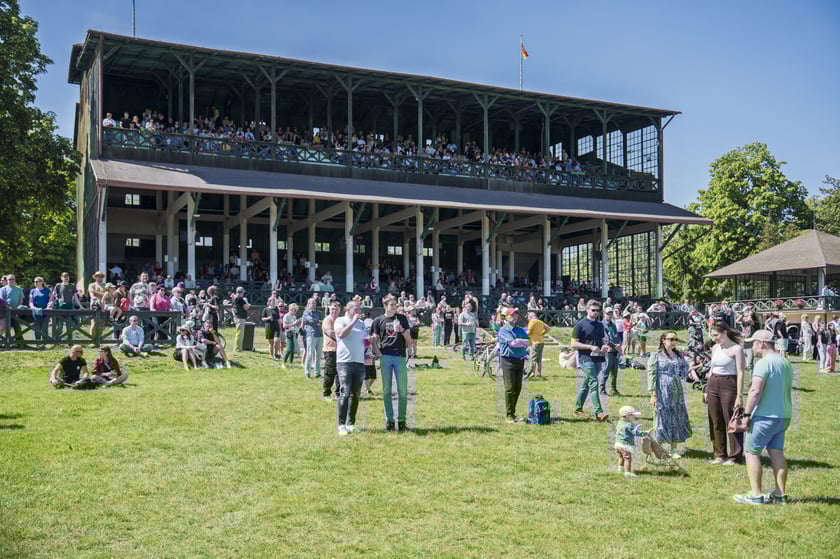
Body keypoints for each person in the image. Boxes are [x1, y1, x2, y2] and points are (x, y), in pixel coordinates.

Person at [734, 330, 793, 505]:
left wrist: (746, 414)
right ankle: (779, 494)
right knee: (777, 452)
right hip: (784, 415)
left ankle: (756, 494)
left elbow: (755, 390)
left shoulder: (763, 363)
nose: (752, 347)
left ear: (762, 343)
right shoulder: (785, 362)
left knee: (751, 452)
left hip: (764, 415)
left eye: (753, 343)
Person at [647, 332, 692, 459]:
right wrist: (653, 394)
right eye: (671, 339)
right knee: (661, 417)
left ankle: (674, 449)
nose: (673, 341)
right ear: (663, 340)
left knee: (676, 417)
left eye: (675, 339)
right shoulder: (655, 355)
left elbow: (684, 369)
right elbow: (651, 374)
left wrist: (684, 367)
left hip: (676, 390)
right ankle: (658, 448)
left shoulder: (677, 354)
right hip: (661, 390)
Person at [707, 321, 746, 465]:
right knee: (715, 420)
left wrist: (739, 396)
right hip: (713, 384)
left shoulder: (736, 349)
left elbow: (741, 373)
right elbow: (712, 368)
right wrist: (706, 390)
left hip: (729, 384)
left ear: (725, 332)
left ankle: (735, 456)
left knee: (731, 419)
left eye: (716, 335)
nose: (713, 338)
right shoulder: (715, 347)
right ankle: (719, 454)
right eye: (712, 335)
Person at [371, 296, 412, 432]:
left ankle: (401, 420)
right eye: (391, 304)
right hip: (386, 357)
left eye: (395, 304)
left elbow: (409, 340)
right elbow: (374, 340)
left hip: (399, 356)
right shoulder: (378, 321)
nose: (394, 307)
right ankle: (389, 420)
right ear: (385, 305)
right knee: (387, 390)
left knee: (402, 391)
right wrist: (379, 354)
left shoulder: (402, 318)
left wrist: (401, 330)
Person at [572, 300, 610, 422]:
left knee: (586, 384)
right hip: (585, 358)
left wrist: (605, 347)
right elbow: (573, 343)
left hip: (598, 358)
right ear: (587, 309)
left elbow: (604, 341)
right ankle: (599, 412)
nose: (595, 313)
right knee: (594, 383)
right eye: (593, 310)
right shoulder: (580, 324)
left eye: (597, 311)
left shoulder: (600, 325)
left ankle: (578, 409)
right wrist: (590, 347)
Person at [334, 300, 368, 435]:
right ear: (347, 309)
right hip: (344, 362)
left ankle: (351, 423)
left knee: (356, 394)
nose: (358, 311)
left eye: (359, 308)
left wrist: (369, 344)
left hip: (359, 362)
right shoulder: (340, 320)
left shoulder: (362, 324)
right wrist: (353, 321)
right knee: (344, 392)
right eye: (355, 308)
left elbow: (364, 341)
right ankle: (341, 425)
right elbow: (341, 334)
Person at [496, 307, 530, 423]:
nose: (515, 317)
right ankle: (509, 415)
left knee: (518, 388)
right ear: (506, 317)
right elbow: (513, 344)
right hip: (508, 361)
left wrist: (520, 342)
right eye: (512, 315)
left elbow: (528, 342)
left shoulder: (520, 330)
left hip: (520, 360)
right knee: (510, 389)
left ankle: (513, 413)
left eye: (516, 315)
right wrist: (520, 342)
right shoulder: (504, 330)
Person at [614, 406, 649, 479]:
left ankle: (620, 469)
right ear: (627, 416)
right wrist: (643, 433)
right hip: (625, 445)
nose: (634, 417)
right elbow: (635, 432)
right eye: (632, 415)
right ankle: (627, 472)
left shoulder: (620, 422)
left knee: (621, 457)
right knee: (628, 458)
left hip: (618, 444)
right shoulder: (629, 425)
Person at [49, 272, 82, 342]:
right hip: (60, 308)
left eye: (67, 277)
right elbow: (53, 295)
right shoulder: (58, 285)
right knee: (60, 326)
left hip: (69, 308)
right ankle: (56, 341)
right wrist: (49, 304)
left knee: (69, 325)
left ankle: (69, 341)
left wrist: (80, 306)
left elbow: (76, 297)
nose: (66, 278)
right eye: (64, 277)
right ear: (61, 278)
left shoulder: (72, 286)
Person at [598, 307, 622, 395]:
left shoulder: (613, 324)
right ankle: (602, 389)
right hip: (608, 350)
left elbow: (618, 336)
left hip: (615, 350)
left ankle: (613, 389)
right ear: (604, 314)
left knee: (615, 371)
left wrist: (619, 344)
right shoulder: (602, 324)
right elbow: (605, 339)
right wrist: (615, 346)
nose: (610, 315)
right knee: (606, 370)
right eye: (608, 313)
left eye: (611, 313)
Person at [321, 301, 341, 401]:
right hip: (330, 350)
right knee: (330, 371)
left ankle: (339, 393)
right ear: (329, 309)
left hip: (341, 350)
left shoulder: (340, 321)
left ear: (339, 310)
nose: (334, 311)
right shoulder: (327, 320)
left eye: (336, 309)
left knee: (340, 372)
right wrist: (342, 335)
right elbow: (329, 332)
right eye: (332, 309)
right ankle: (326, 393)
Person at [0, 274, 24, 345]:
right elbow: (2, 300)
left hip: (15, 311)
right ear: (7, 280)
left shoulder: (19, 289)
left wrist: (16, 307)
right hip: (5, 311)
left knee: (17, 326)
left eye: (13, 279)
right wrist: (7, 307)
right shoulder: (2, 289)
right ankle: (5, 343)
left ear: (15, 280)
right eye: (10, 279)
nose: (11, 281)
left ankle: (20, 343)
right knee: (4, 327)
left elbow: (21, 299)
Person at [303, 298, 323, 378]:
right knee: (309, 354)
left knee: (318, 355)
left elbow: (322, 321)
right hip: (311, 335)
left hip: (319, 335)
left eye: (314, 303)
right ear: (308, 304)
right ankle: (307, 372)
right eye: (312, 303)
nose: (313, 304)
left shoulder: (318, 313)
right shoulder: (306, 313)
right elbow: (310, 320)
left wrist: (318, 322)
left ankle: (317, 373)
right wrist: (317, 322)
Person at [525, 311, 550, 378]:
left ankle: (532, 373)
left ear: (530, 316)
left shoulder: (532, 321)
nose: (528, 319)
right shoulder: (540, 322)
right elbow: (548, 328)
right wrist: (542, 334)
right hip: (541, 341)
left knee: (533, 358)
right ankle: (539, 373)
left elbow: (529, 332)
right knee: (539, 359)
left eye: (528, 318)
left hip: (534, 342)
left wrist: (523, 335)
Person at [29, 276, 51, 342]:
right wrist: (32, 307)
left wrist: (49, 306)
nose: (35, 283)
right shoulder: (32, 290)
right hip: (36, 311)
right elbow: (30, 301)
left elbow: (51, 300)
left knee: (44, 327)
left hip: (45, 311)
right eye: (34, 281)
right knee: (37, 327)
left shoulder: (47, 290)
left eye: (37, 281)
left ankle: (45, 342)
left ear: (41, 282)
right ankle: (38, 342)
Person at [282, 303, 301, 368]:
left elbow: (294, 325)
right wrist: (293, 324)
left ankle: (290, 363)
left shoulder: (294, 316)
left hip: (294, 333)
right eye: (295, 310)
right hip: (289, 333)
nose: (295, 311)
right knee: (289, 349)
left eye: (296, 310)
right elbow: (284, 326)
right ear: (291, 309)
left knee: (293, 349)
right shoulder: (286, 316)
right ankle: (283, 363)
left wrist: (297, 324)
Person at [232, 286, 251, 351]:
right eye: (243, 292)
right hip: (240, 317)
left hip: (237, 316)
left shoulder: (234, 298)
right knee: (240, 334)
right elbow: (246, 307)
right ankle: (237, 349)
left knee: (238, 333)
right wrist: (248, 304)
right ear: (241, 292)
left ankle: (238, 348)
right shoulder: (240, 298)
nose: (243, 293)